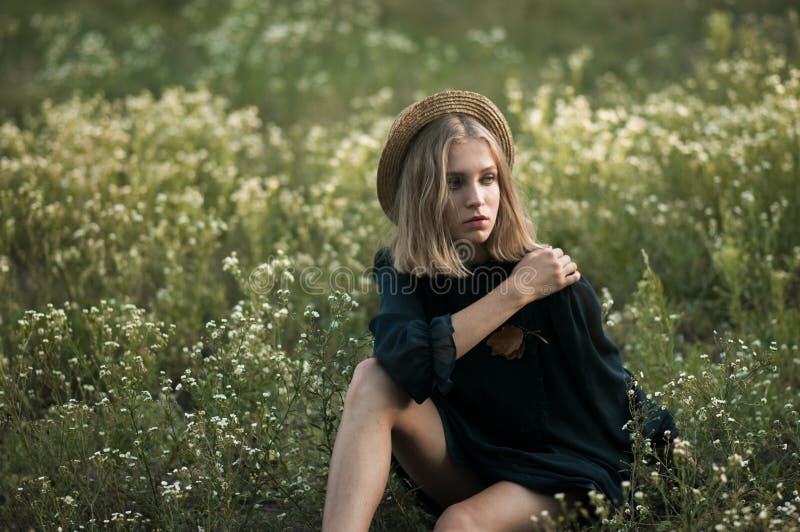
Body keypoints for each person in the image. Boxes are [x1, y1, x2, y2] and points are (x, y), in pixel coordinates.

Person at [322, 90, 677, 531]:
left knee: (458, 524)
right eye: (455, 183)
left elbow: (607, 382)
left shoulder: (549, 274)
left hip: (558, 470)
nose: (477, 198)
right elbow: (404, 364)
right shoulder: (404, 268)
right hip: (471, 456)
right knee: (372, 378)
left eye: (488, 178)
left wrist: (671, 457)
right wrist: (514, 293)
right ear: (423, 192)